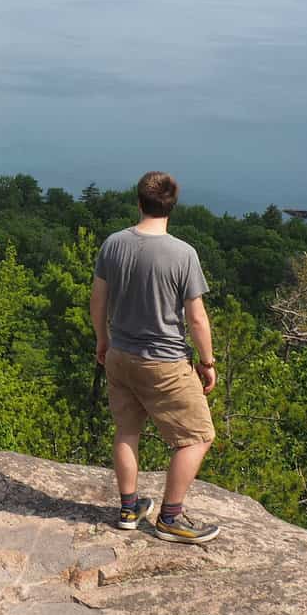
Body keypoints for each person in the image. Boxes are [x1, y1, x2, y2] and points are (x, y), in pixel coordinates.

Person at [89, 171, 219, 544]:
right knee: (197, 437)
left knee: (127, 430)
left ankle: (129, 508)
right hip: (164, 363)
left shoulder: (113, 244)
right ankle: (170, 518)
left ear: (139, 202)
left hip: (120, 355)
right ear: (172, 206)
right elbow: (196, 317)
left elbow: (98, 300)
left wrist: (103, 341)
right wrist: (207, 363)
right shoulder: (183, 254)